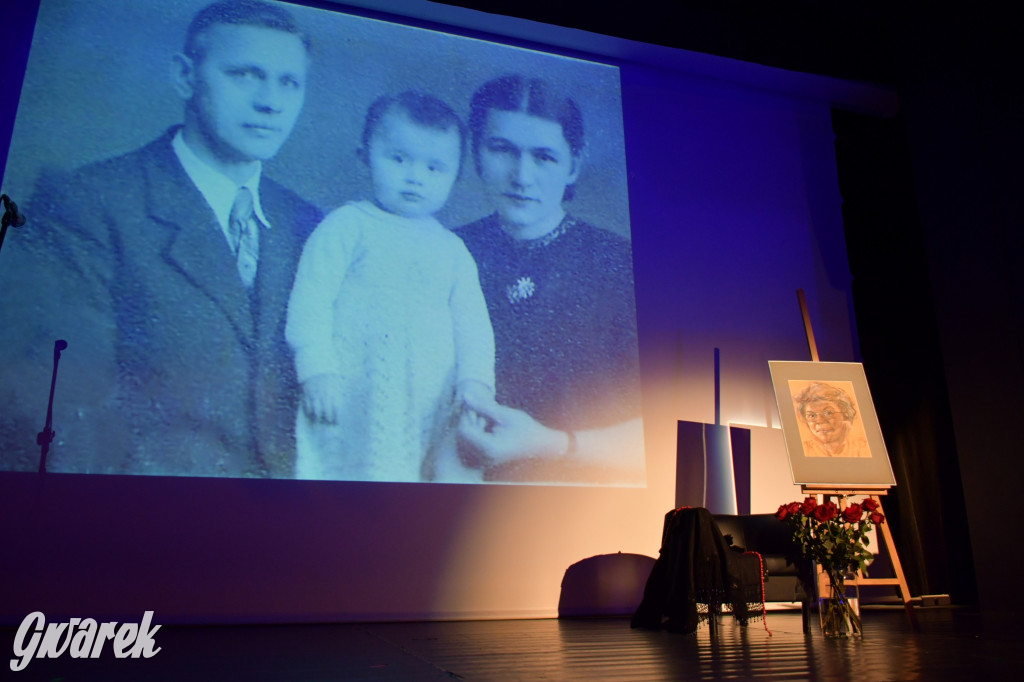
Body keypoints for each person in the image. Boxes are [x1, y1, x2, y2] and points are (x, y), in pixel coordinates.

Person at [0, 1, 321, 477]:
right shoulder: (88, 203)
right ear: (185, 76)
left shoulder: (309, 224)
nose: (271, 102)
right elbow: (62, 410)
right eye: (245, 75)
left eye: (289, 82)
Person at [285, 91, 495, 483]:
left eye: (434, 168)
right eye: (398, 159)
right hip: (353, 393)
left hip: (431, 401)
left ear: (455, 176)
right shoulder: (347, 226)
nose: (415, 177)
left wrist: (475, 384)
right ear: (365, 155)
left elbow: (473, 327)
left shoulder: (452, 250)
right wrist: (315, 369)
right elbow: (311, 300)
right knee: (350, 479)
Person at [456, 74, 644, 485]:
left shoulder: (622, 264)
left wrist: (551, 443)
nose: (522, 176)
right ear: (475, 154)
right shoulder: (444, 251)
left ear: (573, 165)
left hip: (585, 501)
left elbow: (665, 431)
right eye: (501, 149)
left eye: (544, 157)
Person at [794, 382, 871, 458]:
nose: (820, 420)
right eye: (812, 415)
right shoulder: (802, 451)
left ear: (845, 414)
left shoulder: (863, 449)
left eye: (828, 413)